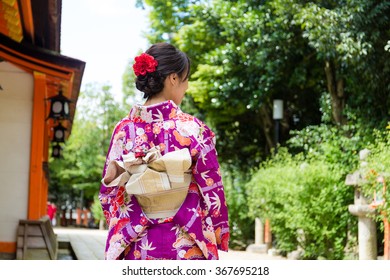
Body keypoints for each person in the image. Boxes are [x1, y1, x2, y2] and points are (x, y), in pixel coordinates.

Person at [99, 42, 229, 260]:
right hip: (187, 241)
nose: (186, 87)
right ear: (173, 79)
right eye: (185, 79)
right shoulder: (193, 129)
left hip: (137, 243)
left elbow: (108, 193)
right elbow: (212, 189)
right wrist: (219, 231)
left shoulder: (123, 129)